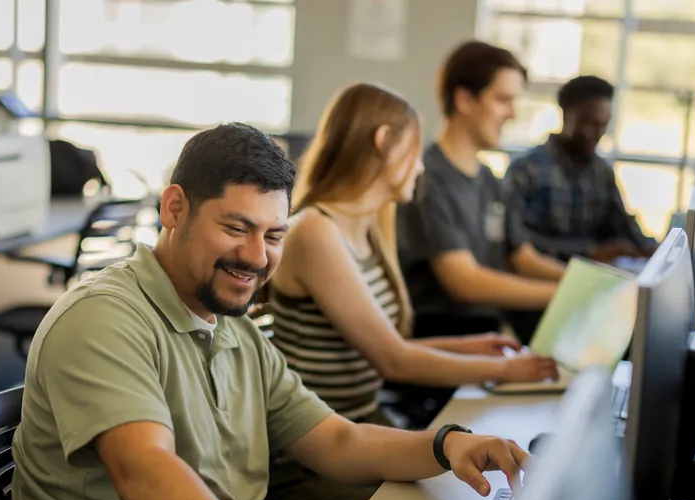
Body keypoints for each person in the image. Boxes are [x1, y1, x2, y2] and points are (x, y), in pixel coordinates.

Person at [11, 122, 532, 500]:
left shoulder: (231, 325)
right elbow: (148, 476)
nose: (257, 257)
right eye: (236, 228)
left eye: (274, 235)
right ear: (174, 208)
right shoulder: (103, 319)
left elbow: (336, 442)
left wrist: (445, 445)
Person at [263, 83, 557, 446]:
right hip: (320, 442)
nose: (419, 167)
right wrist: (506, 369)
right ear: (384, 140)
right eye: (414, 152)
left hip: (360, 423)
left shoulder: (369, 225)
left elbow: (386, 343)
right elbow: (393, 360)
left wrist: (469, 346)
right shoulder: (315, 231)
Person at [396, 40, 567, 346]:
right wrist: (566, 295)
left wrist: (586, 281)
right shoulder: (427, 179)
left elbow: (523, 258)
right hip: (445, 342)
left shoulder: (489, 179)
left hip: (490, 334)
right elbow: (465, 281)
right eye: (503, 100)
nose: (512, 114)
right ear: (464, 99)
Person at [505, 75, 658, 263]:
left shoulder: (601, 172)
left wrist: (655, 249)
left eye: (604, 125)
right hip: (543, 276)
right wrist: (589, 252)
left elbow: (626, 228)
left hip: (596, 275)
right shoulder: (526, 170)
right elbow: (517, 242)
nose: (598, 134)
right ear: (566, 115)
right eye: (590, 124)